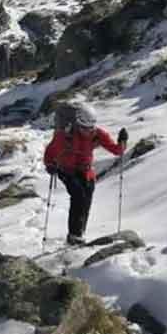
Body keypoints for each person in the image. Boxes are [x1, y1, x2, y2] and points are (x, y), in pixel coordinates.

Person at [43, 104, 128, 244]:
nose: (88, 131)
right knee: (78, 196)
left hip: (86, 171)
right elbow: (50, 151)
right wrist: (50, 165)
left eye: (90, 128)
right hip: (66, 170)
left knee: (86, 199)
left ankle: (80, 233)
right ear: (78, 123)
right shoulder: (64, 134)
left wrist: (122, 141)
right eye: (84, 128)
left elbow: (117, 150)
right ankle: (74, 237)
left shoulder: (97, 134)